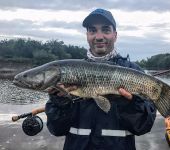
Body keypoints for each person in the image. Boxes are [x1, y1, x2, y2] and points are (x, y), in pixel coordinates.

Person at [45, 8, 156, 150]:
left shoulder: (134, 72)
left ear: (115, 35)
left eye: (105, 30)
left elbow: (143, 126)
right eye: (92, 30)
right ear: (87, 35)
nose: (99, 36)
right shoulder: (68, 72)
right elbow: (57, 130)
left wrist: (129, 104)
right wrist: (60, 102)